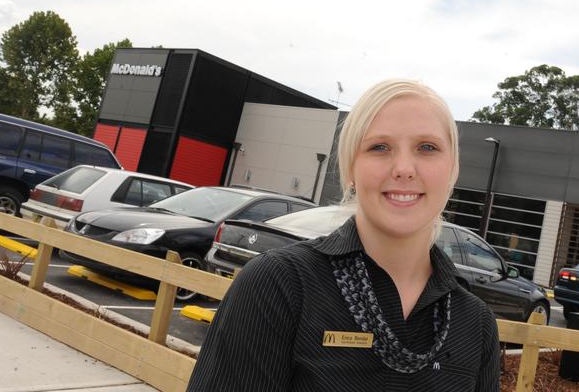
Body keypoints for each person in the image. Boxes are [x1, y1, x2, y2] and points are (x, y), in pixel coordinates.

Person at [187, 79, 501, 391]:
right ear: (350, 168)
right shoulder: (279, 285)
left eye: (427, 147)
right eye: (380, 147)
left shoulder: (476, 323)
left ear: (453, 170)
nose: (404, 168)